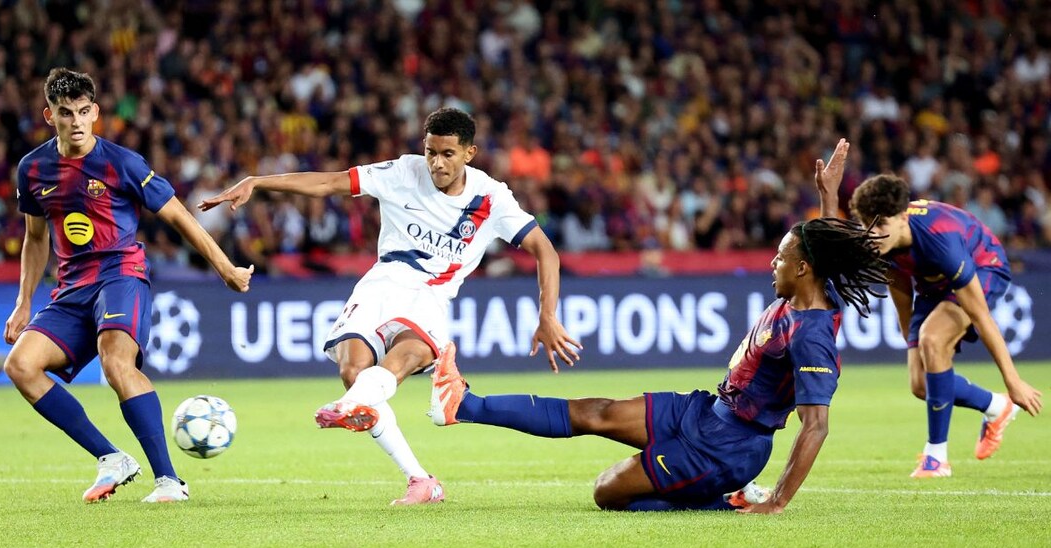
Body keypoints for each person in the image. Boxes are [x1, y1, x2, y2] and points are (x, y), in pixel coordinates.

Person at [430, 142, 888, 513]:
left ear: (804, 269)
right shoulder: (803, 290)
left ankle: (720, 503)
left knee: (607, 491)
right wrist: (829, 195)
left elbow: (816, 426)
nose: (773, 263)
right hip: (705, 412)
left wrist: (780, 501)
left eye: (782, 258)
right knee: (598, 411)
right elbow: (826, 249)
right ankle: (465, 404)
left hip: (731, 448)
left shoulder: (811, 334)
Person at [200, 107, 582, 505]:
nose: (436, 163)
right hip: (382, 283)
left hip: (430, 295)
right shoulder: (403, 172)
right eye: (431, 151)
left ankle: (350, 406)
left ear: (470, 153)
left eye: (448, 154)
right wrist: (258, 181)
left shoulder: (491, 198)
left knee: (406, 356)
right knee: (353, 370)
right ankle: (420, 479)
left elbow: (545, 251)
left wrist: (548, 315)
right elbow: (331, 183)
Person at [3, 68, 254, 503]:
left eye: (84, 112)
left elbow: (177, 215)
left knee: (115, 362)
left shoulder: (122, 162)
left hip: (121, 274)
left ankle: (169, 482)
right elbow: (36, 237)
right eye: (66, 113)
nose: (77, 122)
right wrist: (23, 301)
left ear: (96, 112)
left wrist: (226, 268)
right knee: (20, 366)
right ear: (50, 116)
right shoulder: (33, 169)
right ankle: (111, 458)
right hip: (71, 289)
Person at [849, 175, 1043, 478]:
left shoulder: (941, 239)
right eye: (867, 227)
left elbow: (981, 316)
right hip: (931, 283)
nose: (873, 235)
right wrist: (912, 342)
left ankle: (936, 458)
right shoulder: (880, 243)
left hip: (982, 265)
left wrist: (1013, 380)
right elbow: (900, 291)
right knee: (920, 384)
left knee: (933, 339)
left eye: (881, 227)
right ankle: (995, 406)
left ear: (903, 217)